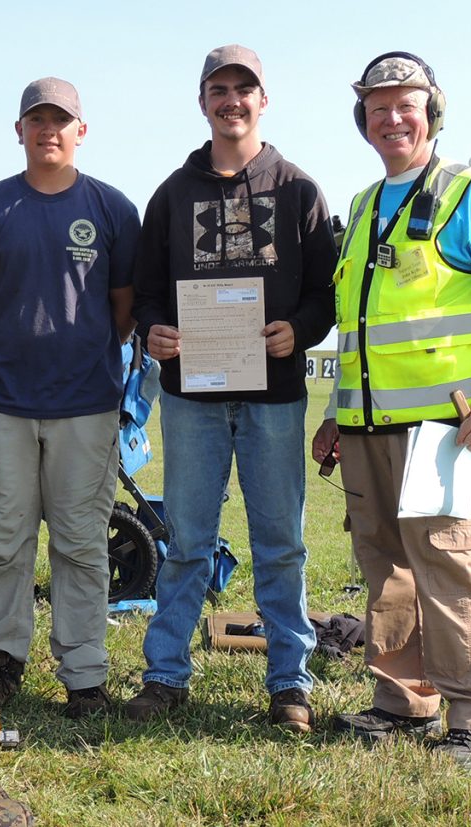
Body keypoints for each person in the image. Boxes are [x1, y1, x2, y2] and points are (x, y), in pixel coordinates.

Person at [312, 52, 471, 768]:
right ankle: (403, 700)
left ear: (431, 111)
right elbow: (361, 329)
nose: (392, 118)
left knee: (447, 564)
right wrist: (335, 412)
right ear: (363, 122)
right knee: (385, 566)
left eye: (405, 104)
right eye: (378, 108)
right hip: (366, 425)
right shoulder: (362, 206)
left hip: (444, 423)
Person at [125, 45, 337, 732]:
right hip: (192, 397)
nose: (232, 101)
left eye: (244, 89)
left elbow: (324, 293)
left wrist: (297, 331)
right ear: (203, 101)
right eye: (219, 89)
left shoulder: (299, 189)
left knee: (281, 543)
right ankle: (164, 675)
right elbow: (147, 292)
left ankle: (289, 685)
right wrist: (154, 328)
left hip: (274, 397)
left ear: (264, 101)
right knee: (187, 540)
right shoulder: (173, 193)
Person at [0, 78, 140, 718]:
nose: (49, 130)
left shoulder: (112, 209)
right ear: (19, 130)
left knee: (82, 544)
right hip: (2, 404)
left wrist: (75, 353)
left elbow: (124, 308)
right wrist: (15, 344)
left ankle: (85, 676)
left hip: (87, 405)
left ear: (82, 131)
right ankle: (0, 666)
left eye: (62, 120)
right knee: (4, 540)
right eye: (37, 120)